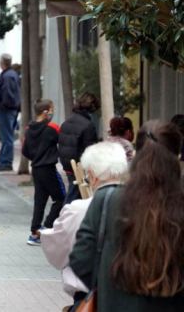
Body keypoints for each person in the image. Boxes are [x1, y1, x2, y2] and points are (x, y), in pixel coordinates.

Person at [70, 121, 184, 311]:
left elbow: (81, 259)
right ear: (177, 156)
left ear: (136, 154)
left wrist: (108, 288)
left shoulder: (106, 200)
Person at [40, 142, 127, 309]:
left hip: (91, 297)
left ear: (92, 175)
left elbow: (60, 252)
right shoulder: (145, 208)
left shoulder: (79, 209)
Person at [21, 99, 64, 246]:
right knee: (60, 199)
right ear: (46, 112)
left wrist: (36, 156)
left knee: (40, 201)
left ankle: (34, 233)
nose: (53, 112)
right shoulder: (52, 128)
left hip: (36, 169)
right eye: (52, 109)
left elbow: (25, 150)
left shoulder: (29, 129)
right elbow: (63, 141)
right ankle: (46, 227)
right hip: (48, 168)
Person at [58, 92, 100, 203]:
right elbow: (89, 149)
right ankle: (64, 218)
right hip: (79, 166)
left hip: (67, 163)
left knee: (73, 193)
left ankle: (67, 217)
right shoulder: (88, 125)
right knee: (74, 195)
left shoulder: (67, 122)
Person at [0, 53, 21, 172]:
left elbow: (7, 93)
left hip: (6, 110)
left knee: (6, 137)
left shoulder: (8, 76)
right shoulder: (11, 74)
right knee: (6, 136)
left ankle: (6, 162)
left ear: (2, 62)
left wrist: (1, 105)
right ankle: (4, 161)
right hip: (8, 109)